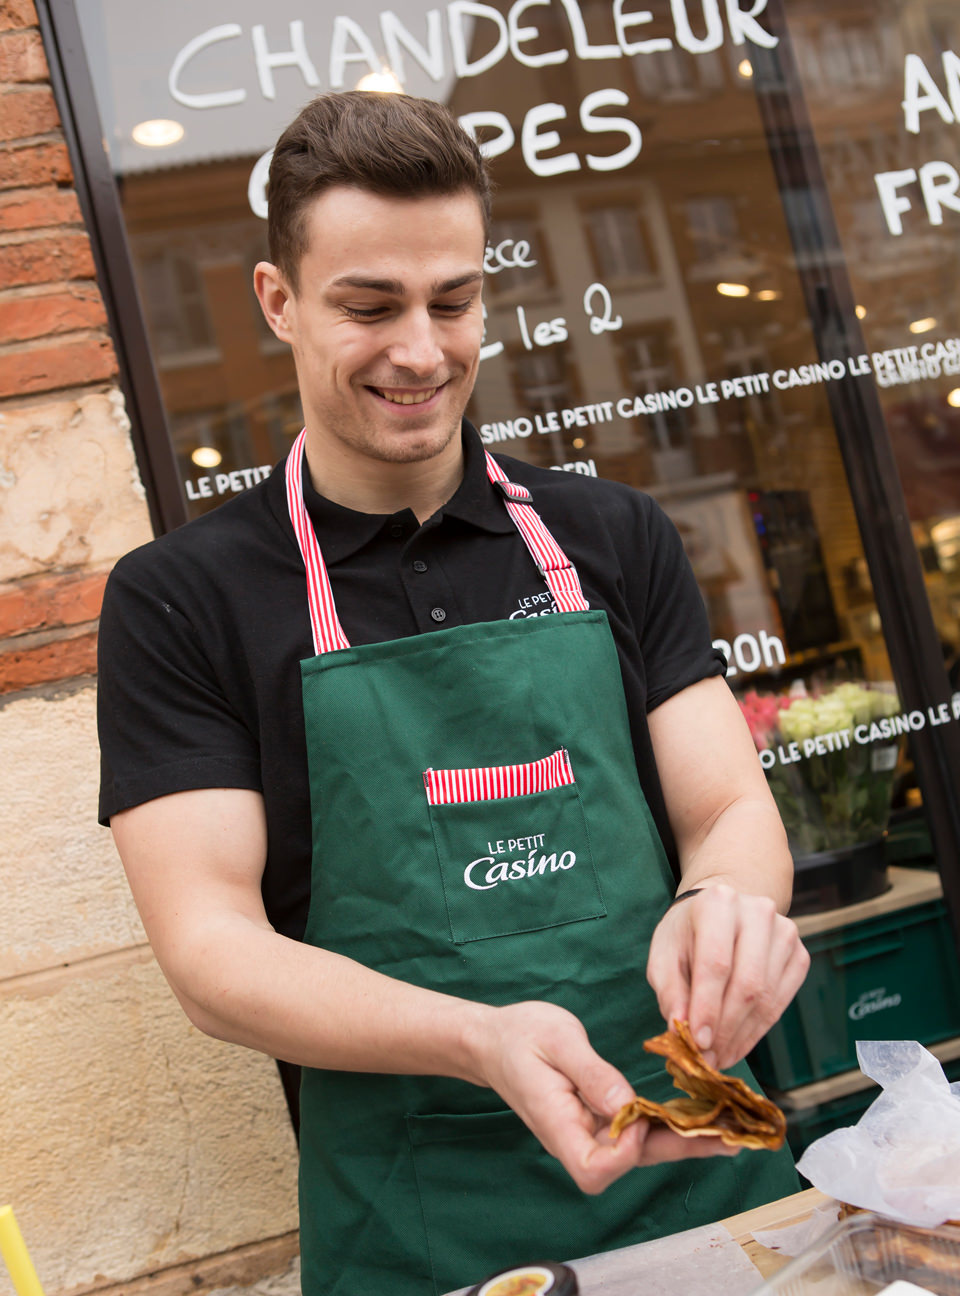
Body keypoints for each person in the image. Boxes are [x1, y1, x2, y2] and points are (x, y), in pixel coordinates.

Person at [98, 90, 809, 1296]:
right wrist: (478, 1041)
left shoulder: (612, 534)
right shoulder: (184, 599)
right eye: (368, 306)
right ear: (278, 302)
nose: (421, 351)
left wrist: (725, 905)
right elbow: (211, 950)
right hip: (418, 1223)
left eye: (454, 300)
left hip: (700, 1184)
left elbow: (728, 814)